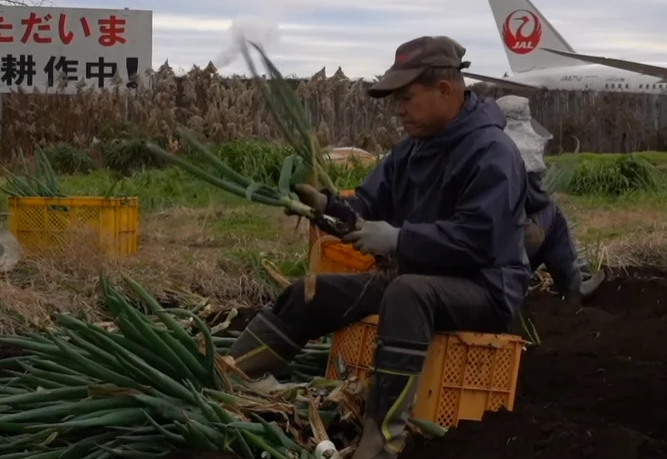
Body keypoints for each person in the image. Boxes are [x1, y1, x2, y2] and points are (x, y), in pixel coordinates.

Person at [226, 35, 531, 459]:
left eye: (406, 97)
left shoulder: (492, 153)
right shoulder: (410, 151)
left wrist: (400, 239)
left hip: (485, 289)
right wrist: (327, 208)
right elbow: (367, 206)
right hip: (420, 280)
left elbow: (478, 241)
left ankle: (382, 442)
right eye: (394, 99)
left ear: (445, 90)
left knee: (407, 293)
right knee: (311, 291)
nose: (398, 109)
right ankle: (229, 382)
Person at [494, 95, 605, 303]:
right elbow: (537, 201)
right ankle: (574, 289)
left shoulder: (476, 144)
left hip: (467, 243)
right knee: (554, 217)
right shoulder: (517, 151)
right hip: (497, 247)